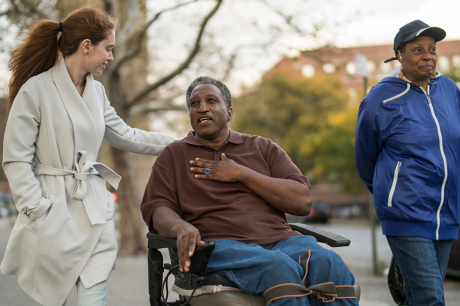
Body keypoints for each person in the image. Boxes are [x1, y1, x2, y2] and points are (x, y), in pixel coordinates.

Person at [0, 7, 177, 306]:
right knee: (54, 298)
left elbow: (127, 135)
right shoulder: (36, 90)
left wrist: (180, 143)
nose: (110, 56)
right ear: (86, 46)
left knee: (94, 296)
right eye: (107, 48)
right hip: (52, 209)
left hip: (94, 209)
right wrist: (36, 208)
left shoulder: (97, 93)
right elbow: (16, 159)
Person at [141, 76, 358, 305]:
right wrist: (179, 226)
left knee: (328, 262)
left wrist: (242, 174)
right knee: (277, 268)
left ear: (230, 112)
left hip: (281, 239)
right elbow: (157, 206)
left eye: (211, 100)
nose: (202, 108)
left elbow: (302, 202)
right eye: (195, 103)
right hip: (219, 245)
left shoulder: (262, 147)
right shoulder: (173, 155)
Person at [355, 20, 460, 306]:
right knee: (430, 297)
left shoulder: (450, 90)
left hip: (446, 212)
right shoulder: (381, 98)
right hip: (406, 212)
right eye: (417, 50)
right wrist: (391, 193)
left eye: (432, 49)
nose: (428, 56)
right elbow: (366, 157)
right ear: (400, 55)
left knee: (420, 297)